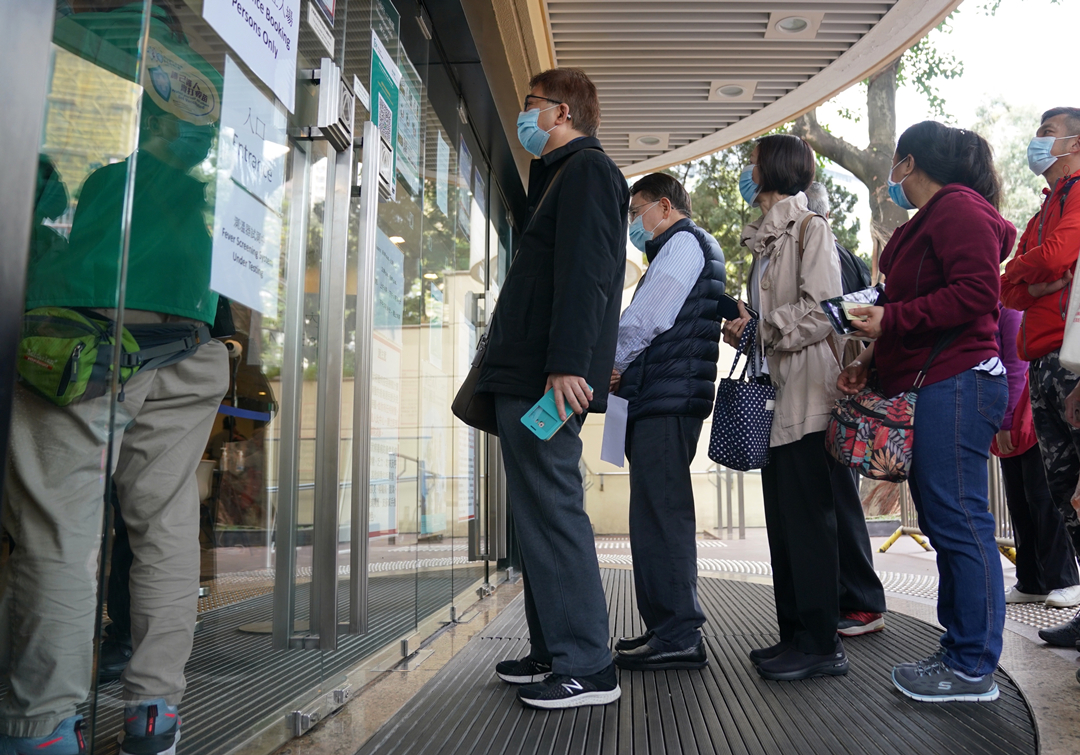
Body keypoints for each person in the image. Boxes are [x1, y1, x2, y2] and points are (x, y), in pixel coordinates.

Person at [0, 5, 229, 753]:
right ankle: (154, 713)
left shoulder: (108, 168)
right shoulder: (209, 179)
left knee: (61, 531)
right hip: (191, 345)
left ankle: (42, 727)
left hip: (89, 341)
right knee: (163, 528)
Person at [838, 121, 1014, 703]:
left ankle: (971, 667)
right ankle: (961, 651)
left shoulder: (958, 209)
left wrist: (891, 323)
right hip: (939, 381)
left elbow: (976, 293)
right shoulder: (932, 220)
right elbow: (914, 304)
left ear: (909, 162)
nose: (892, 174)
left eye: (895, 162)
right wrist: (873, 354)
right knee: (948, 521)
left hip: (959, 382)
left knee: (960, 523)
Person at [475, 67, 628, 709]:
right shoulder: (561, 177)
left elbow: (587, 276)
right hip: (533, 371)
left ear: (560, 111)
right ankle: (554, 651)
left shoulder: (589, 172)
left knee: (554, 509)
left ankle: (589, 666)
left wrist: (567, 363)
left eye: (529, 104)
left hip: (549, 375)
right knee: (538, 514)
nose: (524, 114)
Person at [722, 134, 848, 682]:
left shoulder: (809, 228)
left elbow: (824, 310)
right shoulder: (768, 240)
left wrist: (761, 327)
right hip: (776, 394)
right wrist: (746, 330)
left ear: (772, 168)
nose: (746, 173)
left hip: (805, 397)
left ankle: (822, 644)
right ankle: (793, 634)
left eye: (751, 163)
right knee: (783, 521)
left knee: (809, 522)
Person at [607, 173, 725, 670]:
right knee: (656, 514)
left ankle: (679, 633)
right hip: (664, 394)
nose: (635, 223)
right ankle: (666, 628)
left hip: (666, 397)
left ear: (663, 205)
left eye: (637, 212)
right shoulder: (684, 246)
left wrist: (612, 361)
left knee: (663, 515)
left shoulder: (682, 244)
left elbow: (647, 318)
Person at [999, 107, 1080, 650]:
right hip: (1047, 363)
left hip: (1074, 364)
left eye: (1047, 134)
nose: (1037, 142)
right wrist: (1044, 278)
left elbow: (1056, 256)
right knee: (1064, 492)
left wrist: (1043, 272)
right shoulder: (1047, 205)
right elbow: (1009, 286)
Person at [804, 182, 888, 637]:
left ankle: (861, 601)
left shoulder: (829, 255)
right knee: (834, 496)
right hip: (839, 383)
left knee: (839, 497)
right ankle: (847, 597)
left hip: (836, 387)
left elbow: (841, 320)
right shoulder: (841, 254)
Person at [993, 305, 1080, 608]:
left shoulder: (1011, 314)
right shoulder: (993, 311)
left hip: (1024, 422)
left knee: (1044, 503)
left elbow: (1015, 370)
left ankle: (1066, 579)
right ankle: (1031, 580)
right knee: (1019, 505)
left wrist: (1004, 422)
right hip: (1007, 424)